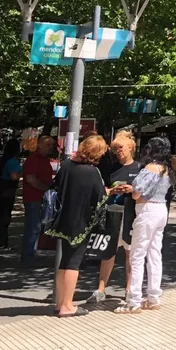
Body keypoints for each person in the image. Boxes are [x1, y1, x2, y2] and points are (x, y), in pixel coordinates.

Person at [47, 135, 109, 318]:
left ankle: (60, 303)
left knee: (64, 261)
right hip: (80, 223)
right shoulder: (92, 172)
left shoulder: (66, 165)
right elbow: (100, 198)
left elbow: (56, 185)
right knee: (74, 263)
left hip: (63, 220)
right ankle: (67, 305)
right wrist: (110, 191)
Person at [116, 137, 172, 313]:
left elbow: (136, 193)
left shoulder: (149, 168)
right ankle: (154, 297)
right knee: (155, 254)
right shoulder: (166, 169)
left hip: (146, 210)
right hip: (161, 209)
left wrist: (131, 189)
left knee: (137, 255)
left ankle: (134, 301)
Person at [88, 132, 140, 304]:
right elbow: (103, 189)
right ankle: (101, 288)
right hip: (112, 213)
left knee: (130, 253)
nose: (118, 152)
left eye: (121, 148)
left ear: (131, 147)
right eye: (115, 149)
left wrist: (132, 190)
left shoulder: (139, 168)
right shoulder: (111, 169)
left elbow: (144, 193)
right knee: (107, 252)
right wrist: (112, 190)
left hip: (131, 214)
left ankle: (129, 289)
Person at [21, 134, 54, 264]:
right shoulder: (33, 159)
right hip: (33, 198)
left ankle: (31, 253)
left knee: (38, 226)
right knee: (33, 227)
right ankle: (27, 256)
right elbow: (30, 179)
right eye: (48, 145)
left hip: (42, 198)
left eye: (52, 145)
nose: (50, 148)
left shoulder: (45, 160)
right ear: (40, 145)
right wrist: (45, 188)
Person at [0, 139, 22, 249]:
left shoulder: (1, 160)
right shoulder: (12, 161)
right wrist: (22, 173)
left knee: (0, 216)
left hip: (0, 188)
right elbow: (14, 176)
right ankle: (2, 241)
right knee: (5, 217)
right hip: (9, 190)